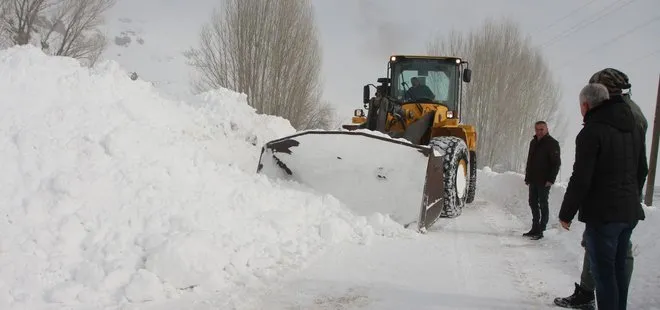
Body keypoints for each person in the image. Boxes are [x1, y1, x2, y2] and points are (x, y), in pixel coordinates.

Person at [554, 68, 648, 309]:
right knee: (616, 272)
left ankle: (590, 295)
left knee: (605, 274)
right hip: (627, 211)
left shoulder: (593, 130)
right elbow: (641, 168)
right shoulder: (633, 121)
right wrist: (630, 197)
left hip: (605, 212)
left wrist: (566, 213)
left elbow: (581, 178)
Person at [523, 120, 561, 240]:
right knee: (532, 202)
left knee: (543, 204)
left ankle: (541, 229)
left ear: (546, 129)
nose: (539, 132)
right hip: (533, 179)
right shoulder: (533, 142)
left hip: (545, 180)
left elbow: (556, 163)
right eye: (537, 129)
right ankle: (535, 227)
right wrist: (527, 177)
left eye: (541, 129)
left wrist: (551, 179)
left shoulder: (552, 143)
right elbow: (530, 161)